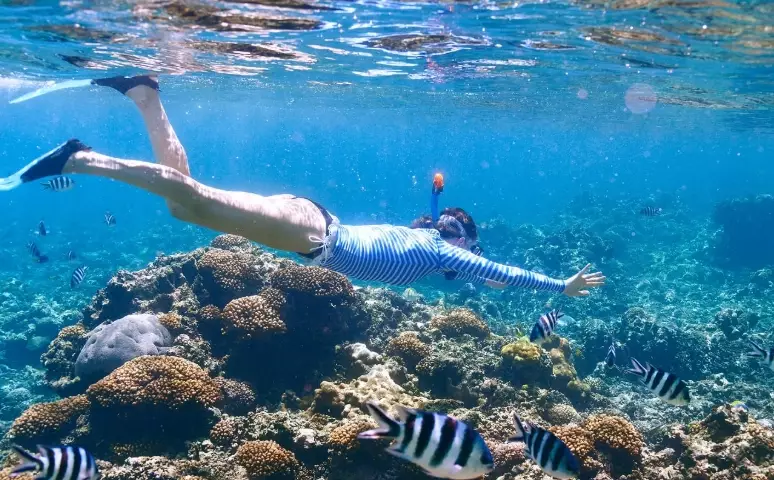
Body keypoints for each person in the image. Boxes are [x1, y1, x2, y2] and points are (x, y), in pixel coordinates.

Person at [1, 75, 605, 296]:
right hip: (313, 232)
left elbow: (460, 246)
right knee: (197, 202)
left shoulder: (427, 245)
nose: (461, 243)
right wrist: (560, 282)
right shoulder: (442, 251)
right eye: (463, 238)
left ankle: (145, 95)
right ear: (459, 239)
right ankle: (80, 160)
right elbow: (502, 273)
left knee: (187, 204)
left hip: (314, 226)